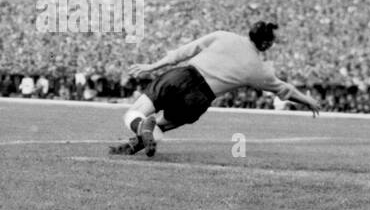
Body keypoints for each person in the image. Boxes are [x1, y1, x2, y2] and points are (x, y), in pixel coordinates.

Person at [111, 21, 323, 157]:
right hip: (200, 99)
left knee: (134, 113)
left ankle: (140, 130)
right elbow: (284, 90)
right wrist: (308, 100)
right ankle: (137, 142)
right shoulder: (259, 70)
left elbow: (185, 51)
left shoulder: (223, 36)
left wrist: (152, 66)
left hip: (182, 76)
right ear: (266, 44)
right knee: (160, 126)